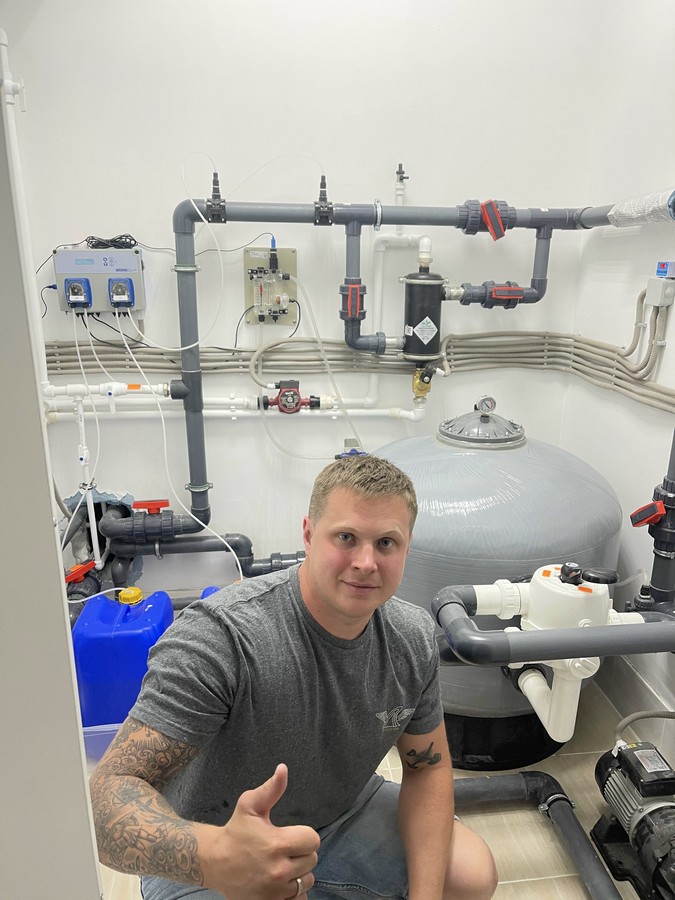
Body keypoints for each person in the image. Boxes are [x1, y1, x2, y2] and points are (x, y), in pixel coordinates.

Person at [90, 454, 498, 900]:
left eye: (386, 543)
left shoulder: (410, 638)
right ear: (308, 534)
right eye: (346, 537)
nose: (366, 562)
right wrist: (221, 856)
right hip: (213, 844)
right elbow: (106, 801)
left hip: (340, 815)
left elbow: (427, 769)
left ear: (406, 547)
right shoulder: (222, 638)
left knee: (470, 874)